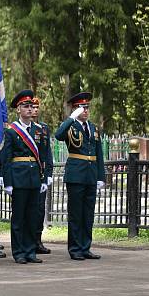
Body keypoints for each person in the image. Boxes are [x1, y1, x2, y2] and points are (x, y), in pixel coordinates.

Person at [54, 92, 104, 261]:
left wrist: (100, 177)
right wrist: (70, 118)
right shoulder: (70, 126)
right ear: (75, 109)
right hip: (76, 174)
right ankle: (75, 249)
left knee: (88, 213)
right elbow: (58, 135)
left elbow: (99, 154)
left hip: (90, 175)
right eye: (82, 108)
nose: (85, 111)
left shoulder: (93, 128)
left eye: (87, 107)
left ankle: (85, 247)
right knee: (76, 213)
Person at [2, 90, 45, 264]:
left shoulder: (38, 129)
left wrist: (43, 178)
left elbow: (42, 155)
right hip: (18, 177)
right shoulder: (12, 131)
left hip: (34, 176)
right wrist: (8, 182)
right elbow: (6, 158)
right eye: (26, 106)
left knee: (32, 216)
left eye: (31, 106)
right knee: (19, 217)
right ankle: (19, 252)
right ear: (18, 109)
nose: (29, 109)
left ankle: (30, 251)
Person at [31, 97, 54, 254]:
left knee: (39, 209)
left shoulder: (44, 128)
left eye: (37, 107)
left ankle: (38, 240)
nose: (35, 110)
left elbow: (47, 153)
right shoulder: (19, 128)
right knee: (28, 209)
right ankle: (28, 240)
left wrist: (49, 173)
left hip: (40, 173)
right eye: (32, 106)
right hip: (27, 174)